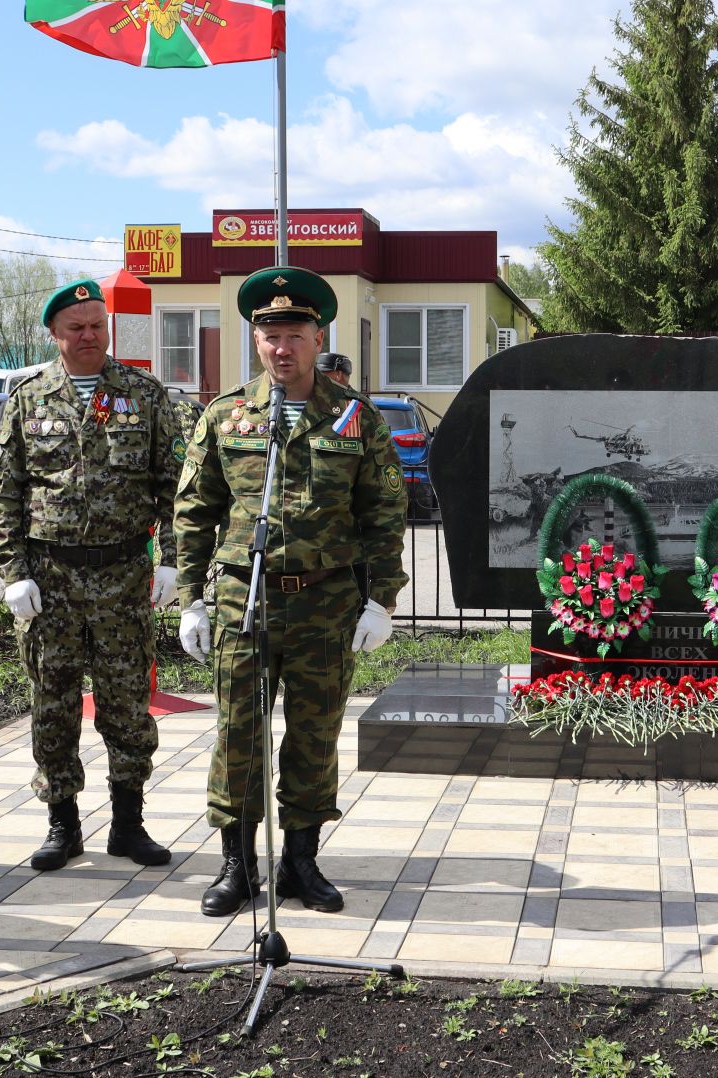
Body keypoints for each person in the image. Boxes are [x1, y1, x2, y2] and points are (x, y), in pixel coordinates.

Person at [174, 266, 407, 917]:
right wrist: (191, 597)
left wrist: (381, 599)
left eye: (294, 333)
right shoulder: (227, 417)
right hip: (243, 603)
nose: (282, 347)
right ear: (256, 339)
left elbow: (385, 514)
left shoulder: (356, 419)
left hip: (325, 603)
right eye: (269, 334)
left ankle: (301, 862)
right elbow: (194, 511)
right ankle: (236, 865)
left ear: (317, 335)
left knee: (313, 735)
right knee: (237, 734)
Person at [0, 278, 183, 872]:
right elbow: (6, 491)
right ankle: (62, 824)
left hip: (124, 575)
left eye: (98, 325)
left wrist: (171, 560)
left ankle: (129, 823)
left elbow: (173, 487)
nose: (90, 335)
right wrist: (12, 572)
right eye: (77, 327)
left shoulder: (144, 395)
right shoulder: (28, 398)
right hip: (51, 580)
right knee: (54, 703)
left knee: (127, 704)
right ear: (55, 334)